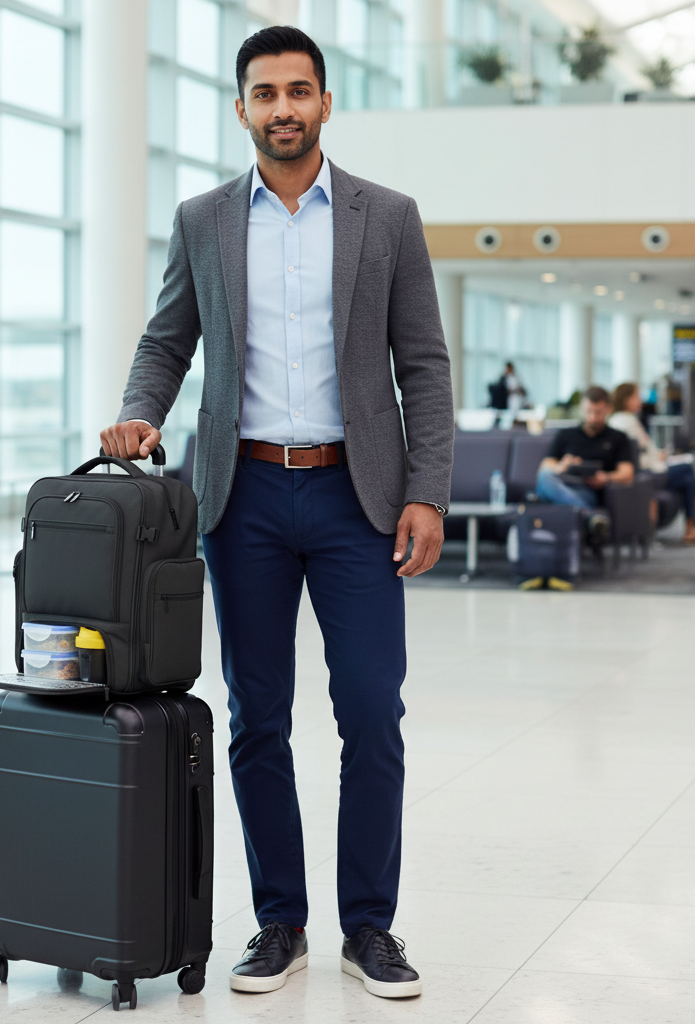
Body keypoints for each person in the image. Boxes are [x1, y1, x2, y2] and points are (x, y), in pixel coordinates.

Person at [99, 26, 453, 1001]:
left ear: (325, 104)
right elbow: (166, 339)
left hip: (357, 499)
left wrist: (425, 489)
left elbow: (421, 364)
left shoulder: (386, 218)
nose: (284, 107)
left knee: (371, 710)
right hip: (243, 496)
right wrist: (139, 410)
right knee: (256, 718)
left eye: (300, 90)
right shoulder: (205, 218)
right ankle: (279, 922)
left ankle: (370, 928)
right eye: (265, 92)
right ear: (243, 107)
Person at [609, 382, 695, 544]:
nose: (640, 400)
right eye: (637, 396)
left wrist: (660, 456)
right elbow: (634, 454)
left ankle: (692, 525)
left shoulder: (626, 419)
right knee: (687, 470)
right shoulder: (624, 422)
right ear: (626, 399)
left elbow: (643, 450)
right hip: (645, 473)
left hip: (649, 468)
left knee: (686, 474)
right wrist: (658, 458)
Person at [535, 385, 634, 548]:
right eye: (589, 412)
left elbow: (627, 473)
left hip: (587, 491)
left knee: (549, 488)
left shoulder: (617, 438)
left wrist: (606, 478)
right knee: (545, 478)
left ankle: (584, 514)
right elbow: (545, 466)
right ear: (581, 409)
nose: (593, 418)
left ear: (608, 409)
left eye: (598, 412)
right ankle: (590, 517)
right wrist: (562, 466)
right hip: (562, 484)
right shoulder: (566, 435)